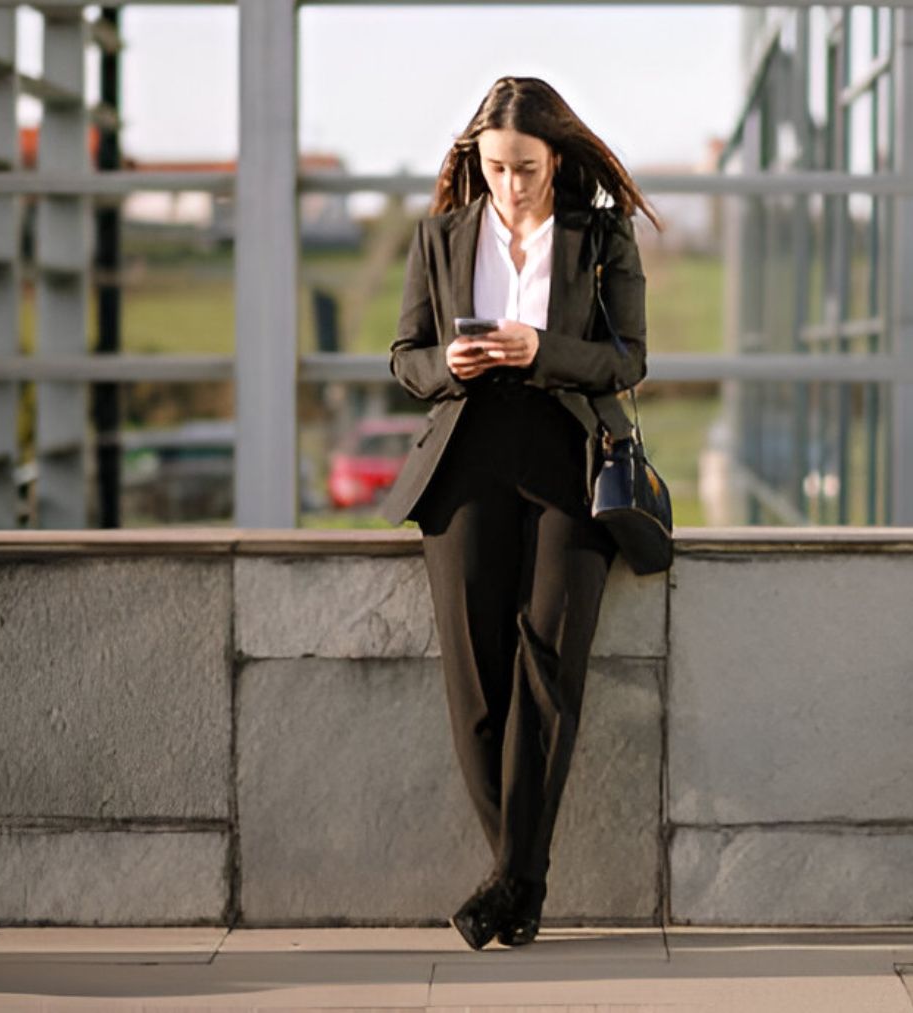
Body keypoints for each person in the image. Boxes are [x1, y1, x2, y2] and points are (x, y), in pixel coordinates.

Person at [376, 76, 662, 950]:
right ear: (475, 162)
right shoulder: (441, 235)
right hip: (466, 463)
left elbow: (629, 361)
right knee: (476, 681)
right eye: (496, 168)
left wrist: (542, 350)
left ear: (558, 158)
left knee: (549, 671)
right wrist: (451, 366)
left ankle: (510, 883)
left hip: (572, 461)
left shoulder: (601, 234)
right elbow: (403, 360)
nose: (512, 185)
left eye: (528, 168)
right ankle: (522, 881)